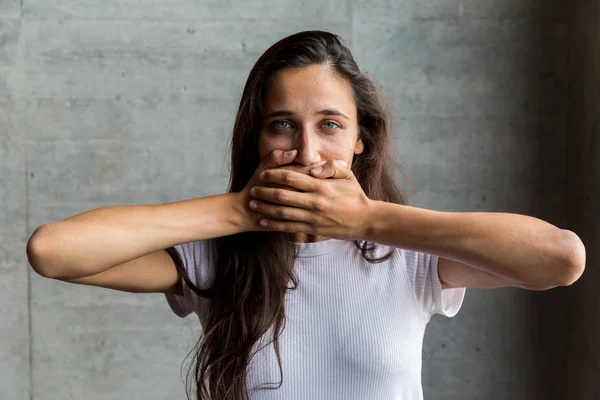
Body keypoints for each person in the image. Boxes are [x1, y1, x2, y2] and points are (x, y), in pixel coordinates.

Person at [26, 30, 586, 400]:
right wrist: (238, 211)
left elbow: (561, 259)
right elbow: (52, 252)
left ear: (361, 140)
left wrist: (368, 221)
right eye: (282, 125)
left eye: (330, 125)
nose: (308, 152)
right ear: (258, 137)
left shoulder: (406, 255)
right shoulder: (217, 258)